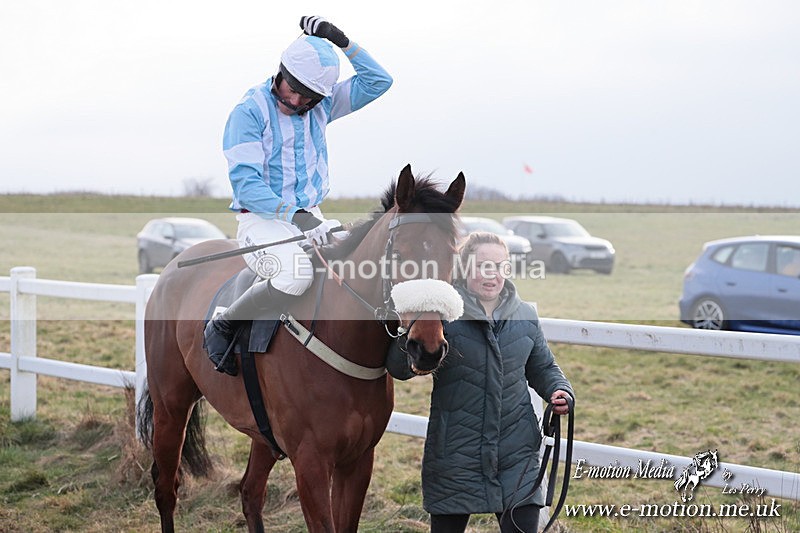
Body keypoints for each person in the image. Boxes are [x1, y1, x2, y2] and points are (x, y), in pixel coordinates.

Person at [205, 16, 393, 375]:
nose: (295, 100)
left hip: (311, 216)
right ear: (281, 72)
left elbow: (379, 81)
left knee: (356, 268)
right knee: (295, 276)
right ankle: (224, 324)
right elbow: (247, 186)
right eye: (291, 88)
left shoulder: (322, 105)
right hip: (261, 221)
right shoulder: (248, 112)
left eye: (308, 97)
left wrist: (342, 41)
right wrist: (298, 217)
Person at [386, 232, 574, 533]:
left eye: (500, 266)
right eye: (483, 265)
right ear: (464, 268)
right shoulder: (442, 315)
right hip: (455, 456)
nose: (493, 274)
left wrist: (560, 391)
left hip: (517, 455)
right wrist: (411, 318)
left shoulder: (525, 315)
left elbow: (543, 367)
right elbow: (399, 368)